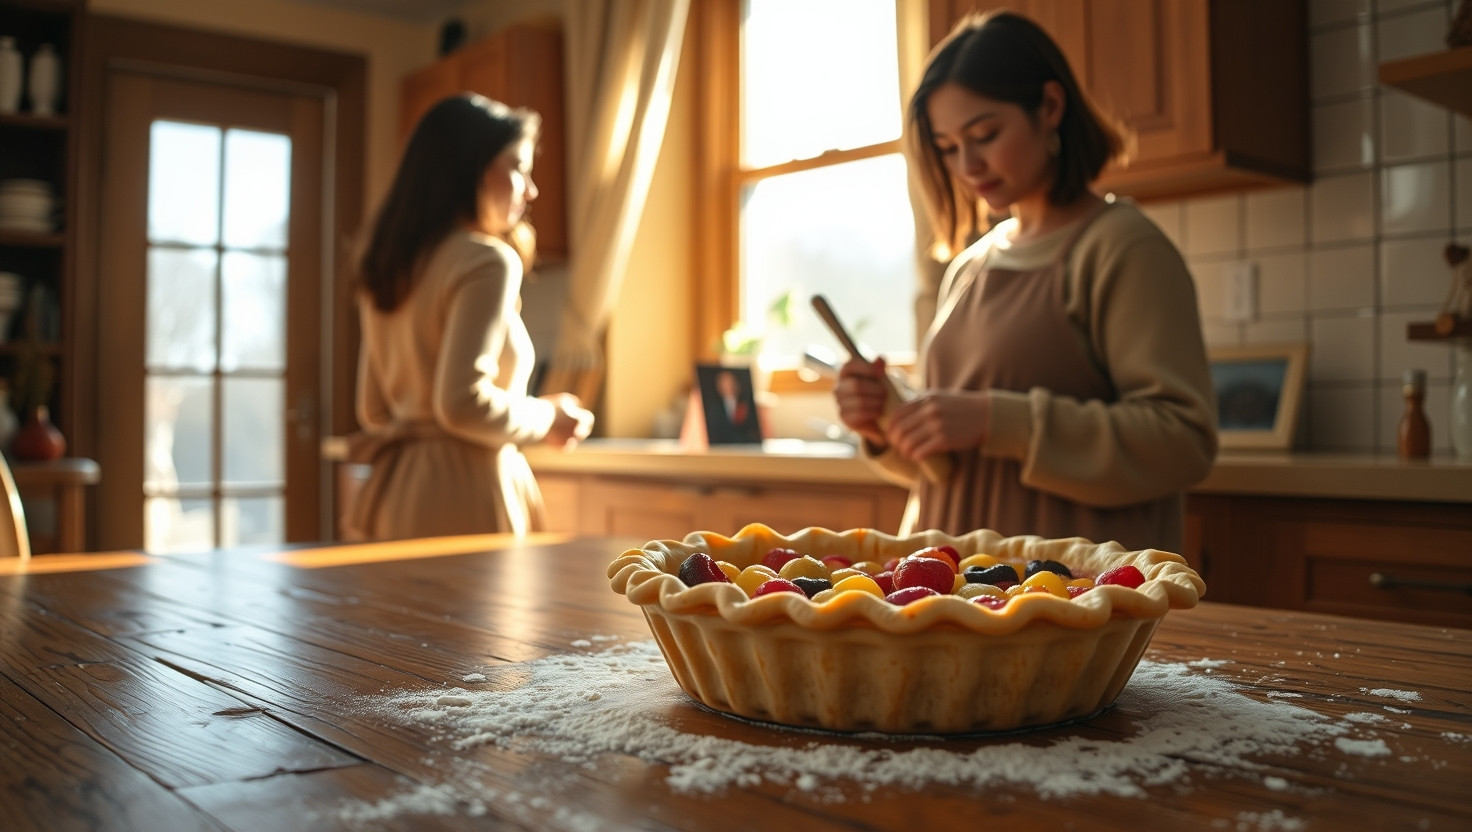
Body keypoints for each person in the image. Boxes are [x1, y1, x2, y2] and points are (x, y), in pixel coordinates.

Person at [834, 11, 1217, 553]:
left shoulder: (1123, 248)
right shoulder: (972, 266)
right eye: (946, 146)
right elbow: (951, 468)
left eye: (985, 134)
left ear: (1051, 107)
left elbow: (1182, 442)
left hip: (1068, 602)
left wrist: (998, 419)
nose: (966, 164)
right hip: (949, 592)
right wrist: (886, 425)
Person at [347, 93, 594, 541]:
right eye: (518, 167)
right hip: (467, 499)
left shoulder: (390, 264)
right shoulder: (487, 261)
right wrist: (547, 416)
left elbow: (374, 409)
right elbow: (460, 402)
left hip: (397, 496)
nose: (531, 189)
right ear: (472, 168)